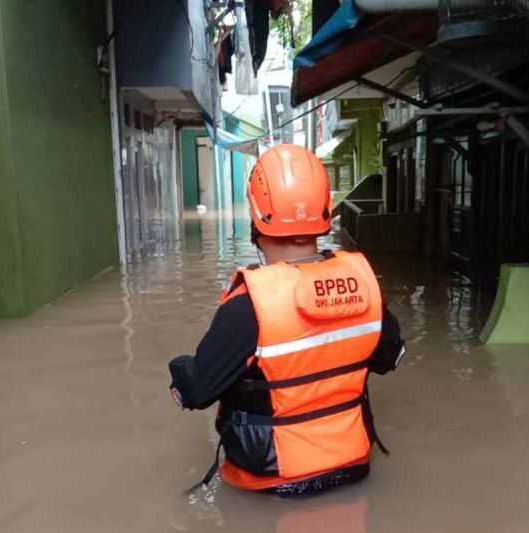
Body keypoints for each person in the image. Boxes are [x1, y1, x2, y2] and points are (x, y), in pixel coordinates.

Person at [169, 144, 406, 496]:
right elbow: (389, 358)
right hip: (353, 467)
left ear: (255, 216)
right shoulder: (362, 286)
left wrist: (180, 369)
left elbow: (198, 391)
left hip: (273, 484)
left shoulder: (248, 305)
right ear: (325, 210)